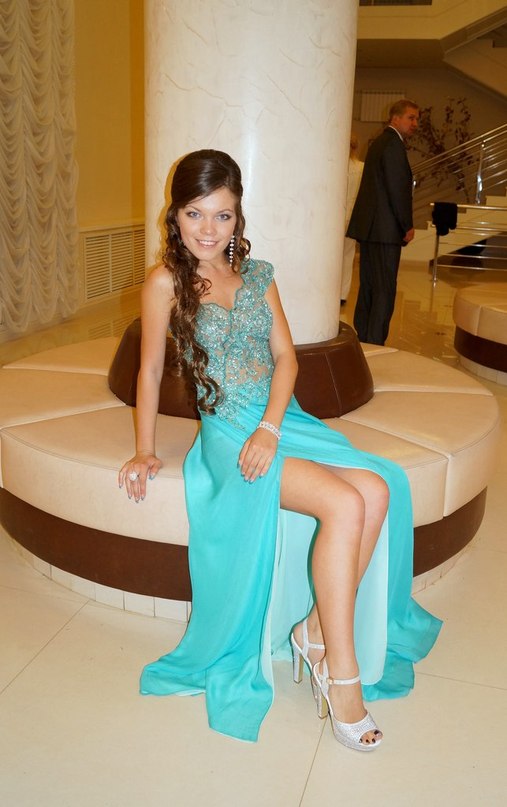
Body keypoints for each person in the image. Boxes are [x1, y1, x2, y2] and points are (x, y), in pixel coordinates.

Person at [118, 149, 441, 748]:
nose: (208, 230)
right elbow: (151, 369)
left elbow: (287, 360)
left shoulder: (258, 275)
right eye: (195, 213)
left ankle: (313, 629)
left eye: (222, 215)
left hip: (278, 420)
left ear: (238, 218)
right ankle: (342, 677)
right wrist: (144, 449)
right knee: (345, 502)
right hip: (226, 433)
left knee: (377, 487)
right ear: (175, 214)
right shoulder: (165, 282)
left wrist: (270, 427)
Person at [347, 100, 419, 345]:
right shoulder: (392, 145)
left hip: (372, 229)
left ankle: (365, 336)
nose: (415, 123)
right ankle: (376, 340)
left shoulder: (379, 142)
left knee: (369, 285)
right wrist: (406, 225)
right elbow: (397, 190)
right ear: (395, 118)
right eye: (410, 118)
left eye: (416, 119)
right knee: (384, 288)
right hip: (385, 231)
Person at [340, 133, 364, 305]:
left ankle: (331, 291)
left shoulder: (336, 166)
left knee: (333, 256)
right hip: (353, 217)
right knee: (348, 256)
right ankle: (342, 294)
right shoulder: (362, 167)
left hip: (336, 218)